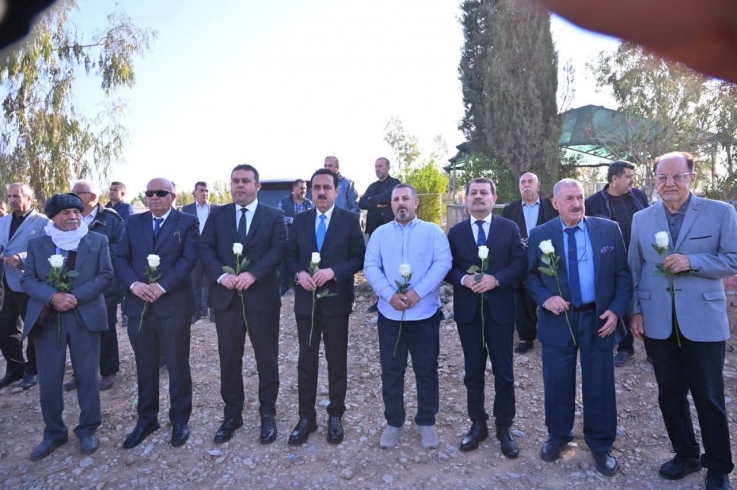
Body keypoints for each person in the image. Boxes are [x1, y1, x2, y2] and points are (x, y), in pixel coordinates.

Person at [629, 151, 736, 490]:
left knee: (709, 396)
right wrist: (636, 310)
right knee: (670, 394)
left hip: (703, 320)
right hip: (658, 320)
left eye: (677, 176)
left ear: (692, 177)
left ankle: (718, 467)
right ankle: (686, 454)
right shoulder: (641, 219)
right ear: (654, 181)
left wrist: (693, 261)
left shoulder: (721, 212)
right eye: (662, 177)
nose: (669, 183)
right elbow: (635, 267)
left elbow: (733, 259)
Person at [525, 178, 631, 477]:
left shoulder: (607, 229)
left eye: (580, 197)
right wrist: (546, 298)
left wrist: (616, 311)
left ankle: (601, 444)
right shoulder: (540, 235)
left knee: (599, 383)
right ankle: (558, 436)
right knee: (557, 382)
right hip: (558, 319)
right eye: (569, 198)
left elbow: (623, 275)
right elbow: (530, 277)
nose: (576, 203)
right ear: (555, 203)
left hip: (598, 318)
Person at [21, 193, 113, 460]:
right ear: (53, 217)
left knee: (87, 376)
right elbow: (28, 279)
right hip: (49, 319)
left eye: (76, 212)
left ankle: (88, 428)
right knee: (49, 379)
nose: (73, 217)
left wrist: (73, 297)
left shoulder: (97, 240)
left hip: (85, 317)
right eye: (66, 213)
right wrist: (53, 297)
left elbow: (105, 275)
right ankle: (54, 432)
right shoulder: (37, 244)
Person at [199, 164, 287, 445]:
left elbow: (279, 249)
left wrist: (253, 274)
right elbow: (205, 248)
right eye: (235, 180)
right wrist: (222, 275)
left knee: (266, 358)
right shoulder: (218, 215)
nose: (239, 185)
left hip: (262, 299)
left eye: (246, 181)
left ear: (257, 186)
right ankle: (232, 415)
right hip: (227, 300)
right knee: (229, 359)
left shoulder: (273, 216)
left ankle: (267, 413)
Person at [364, 184, 452, 450]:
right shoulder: (380, 234)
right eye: (395, 200)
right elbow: (370, 266)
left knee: (426, 370)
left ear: (416, 203)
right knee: (392, 370)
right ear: (391, 204)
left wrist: (418, 292)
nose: (400, 203)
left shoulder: (432, 232)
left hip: (424, 314)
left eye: (405, 198)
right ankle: (394, 421)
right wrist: (389, 294)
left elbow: (443, 262)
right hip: (390, 315)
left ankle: (426, 420)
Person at [115, 178, 199, 449]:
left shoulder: (187, 223)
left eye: (160, 193)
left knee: (177, 364)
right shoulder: (133, 222)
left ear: (173, 196)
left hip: (173, 305)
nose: (154, 197)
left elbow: (188, 260)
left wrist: (161, 286)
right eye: (149, 193)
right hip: (139, 305)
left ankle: (180, 419)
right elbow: (120, 257)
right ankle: (147, 419)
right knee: (145, 365)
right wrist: (134, 285)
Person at [447, 178, 527, 456]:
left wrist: (497, 279)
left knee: (504, 372)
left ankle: (504, 426)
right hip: (469, 313)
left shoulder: (509, 228)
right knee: (473, 372)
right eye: (473, 193)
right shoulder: (456, 232)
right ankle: (478, 424)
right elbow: (448, 267)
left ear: (494, 198)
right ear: (466, 199)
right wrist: (464, 279)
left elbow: (520, 263)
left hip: (500, 311)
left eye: (484, 193)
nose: (478, 197)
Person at [285, 168, 365, 445]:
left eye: (326, 187)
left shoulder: (349, 220)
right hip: (306, 303)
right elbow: (289, 256)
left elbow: (359, 257)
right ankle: (306, 418)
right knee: (306, 363)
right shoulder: (300, 221)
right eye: (316, 187)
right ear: (311, 190)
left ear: (336, 191)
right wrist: (299, 274)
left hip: (336, 302)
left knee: (336, 362)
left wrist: (334, 272)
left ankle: (335, 415)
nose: (321, 192)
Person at [585, 160, 650, 366]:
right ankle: (625, 347)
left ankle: (653, 349)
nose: (633, 181)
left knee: (647, 301)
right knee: (619, 300)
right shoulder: (594, 202)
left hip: (642, 258)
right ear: (615, 178)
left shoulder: (639, 196)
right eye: (628, 177)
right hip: (613, 261)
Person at [61, 180, 124, 392]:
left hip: (104, 284)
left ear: (93, 197)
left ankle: (108, 371)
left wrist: (89, 261)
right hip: (74, 284)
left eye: (77, 193)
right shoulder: (69, 217)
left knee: (104, 328)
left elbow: (119, 250)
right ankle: (81, 373)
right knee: (77, 329)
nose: (72, 196)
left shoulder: (112, 219)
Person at [501, 172, 559, 353]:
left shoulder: (552, 207)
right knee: (522, 299)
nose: (526, 185)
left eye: (530, 182)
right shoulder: (510, 210)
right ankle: (527, 337)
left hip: (548, 261)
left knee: (550, 293)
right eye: (523, 182)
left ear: (538, 186)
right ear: (519, 187)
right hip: (521, 261)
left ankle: (552, 335)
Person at [0, 183, 49, 390]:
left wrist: (22, 257)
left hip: (28, 282)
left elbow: (47, 248)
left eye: (17, 196)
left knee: (34, 328)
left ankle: (33, 370)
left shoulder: (43, 222)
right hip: (4, 283)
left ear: (29, 198)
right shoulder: (3, 221)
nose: (12, 200)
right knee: (6, 329)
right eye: (10, 196)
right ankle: (15, 369)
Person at [359, 157, 401, 313]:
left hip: (391, 231)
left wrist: (372, 200)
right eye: (376, 166)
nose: (378, 169)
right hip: (374, 231)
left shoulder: (395, 183)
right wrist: (376, 203)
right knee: (377, 265)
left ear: (388, 167)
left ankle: (396, 295)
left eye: (381, 166)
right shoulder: (372, 186)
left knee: (392, 263)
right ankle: (381, 298)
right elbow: (362, 202)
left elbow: (388, 196)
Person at [182, 181, 218, 323]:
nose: (205, 193)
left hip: (211, 251)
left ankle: (214, 312)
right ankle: (196, 312)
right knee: (195, 282)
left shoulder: (216, 209)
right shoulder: (187, 209)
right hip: (194, 251)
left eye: (207, 190)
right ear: (195, 193)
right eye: (202, 190)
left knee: (213, 282)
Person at [278, 179, 313, 296]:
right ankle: (284, 290)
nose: (303, 191)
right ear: (294, 188)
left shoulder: (309, 204)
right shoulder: (284, 202)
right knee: (284, 264)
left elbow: (313, 219)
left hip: (304, 240)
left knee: (301, 263)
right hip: (287, 238)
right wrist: (294, 220)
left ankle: (300, 288)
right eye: (301, 188)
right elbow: (279, 218)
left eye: (305, 188)